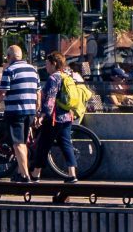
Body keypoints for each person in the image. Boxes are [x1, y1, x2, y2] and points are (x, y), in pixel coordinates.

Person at [0, 45, 40, 183]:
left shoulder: (9, 70)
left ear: (9, 57)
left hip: (16, 111)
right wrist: (37, 109)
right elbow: (38, 91)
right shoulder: (33, 70)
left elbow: (2, 92)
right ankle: (21, 171)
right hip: (30, 110)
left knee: (18, 143)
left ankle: (24, 175)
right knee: (23, 143)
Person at [36, 52, 81, 183]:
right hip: (67, 116)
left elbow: (50, 99)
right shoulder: (66, 76)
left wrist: (42, 115)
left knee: (43, 145)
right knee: (66, 145)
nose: (46, 67)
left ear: (54, 64)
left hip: (55, 118)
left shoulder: (53, 78)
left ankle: (35, 174)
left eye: (47, 64)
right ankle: (72, 174)